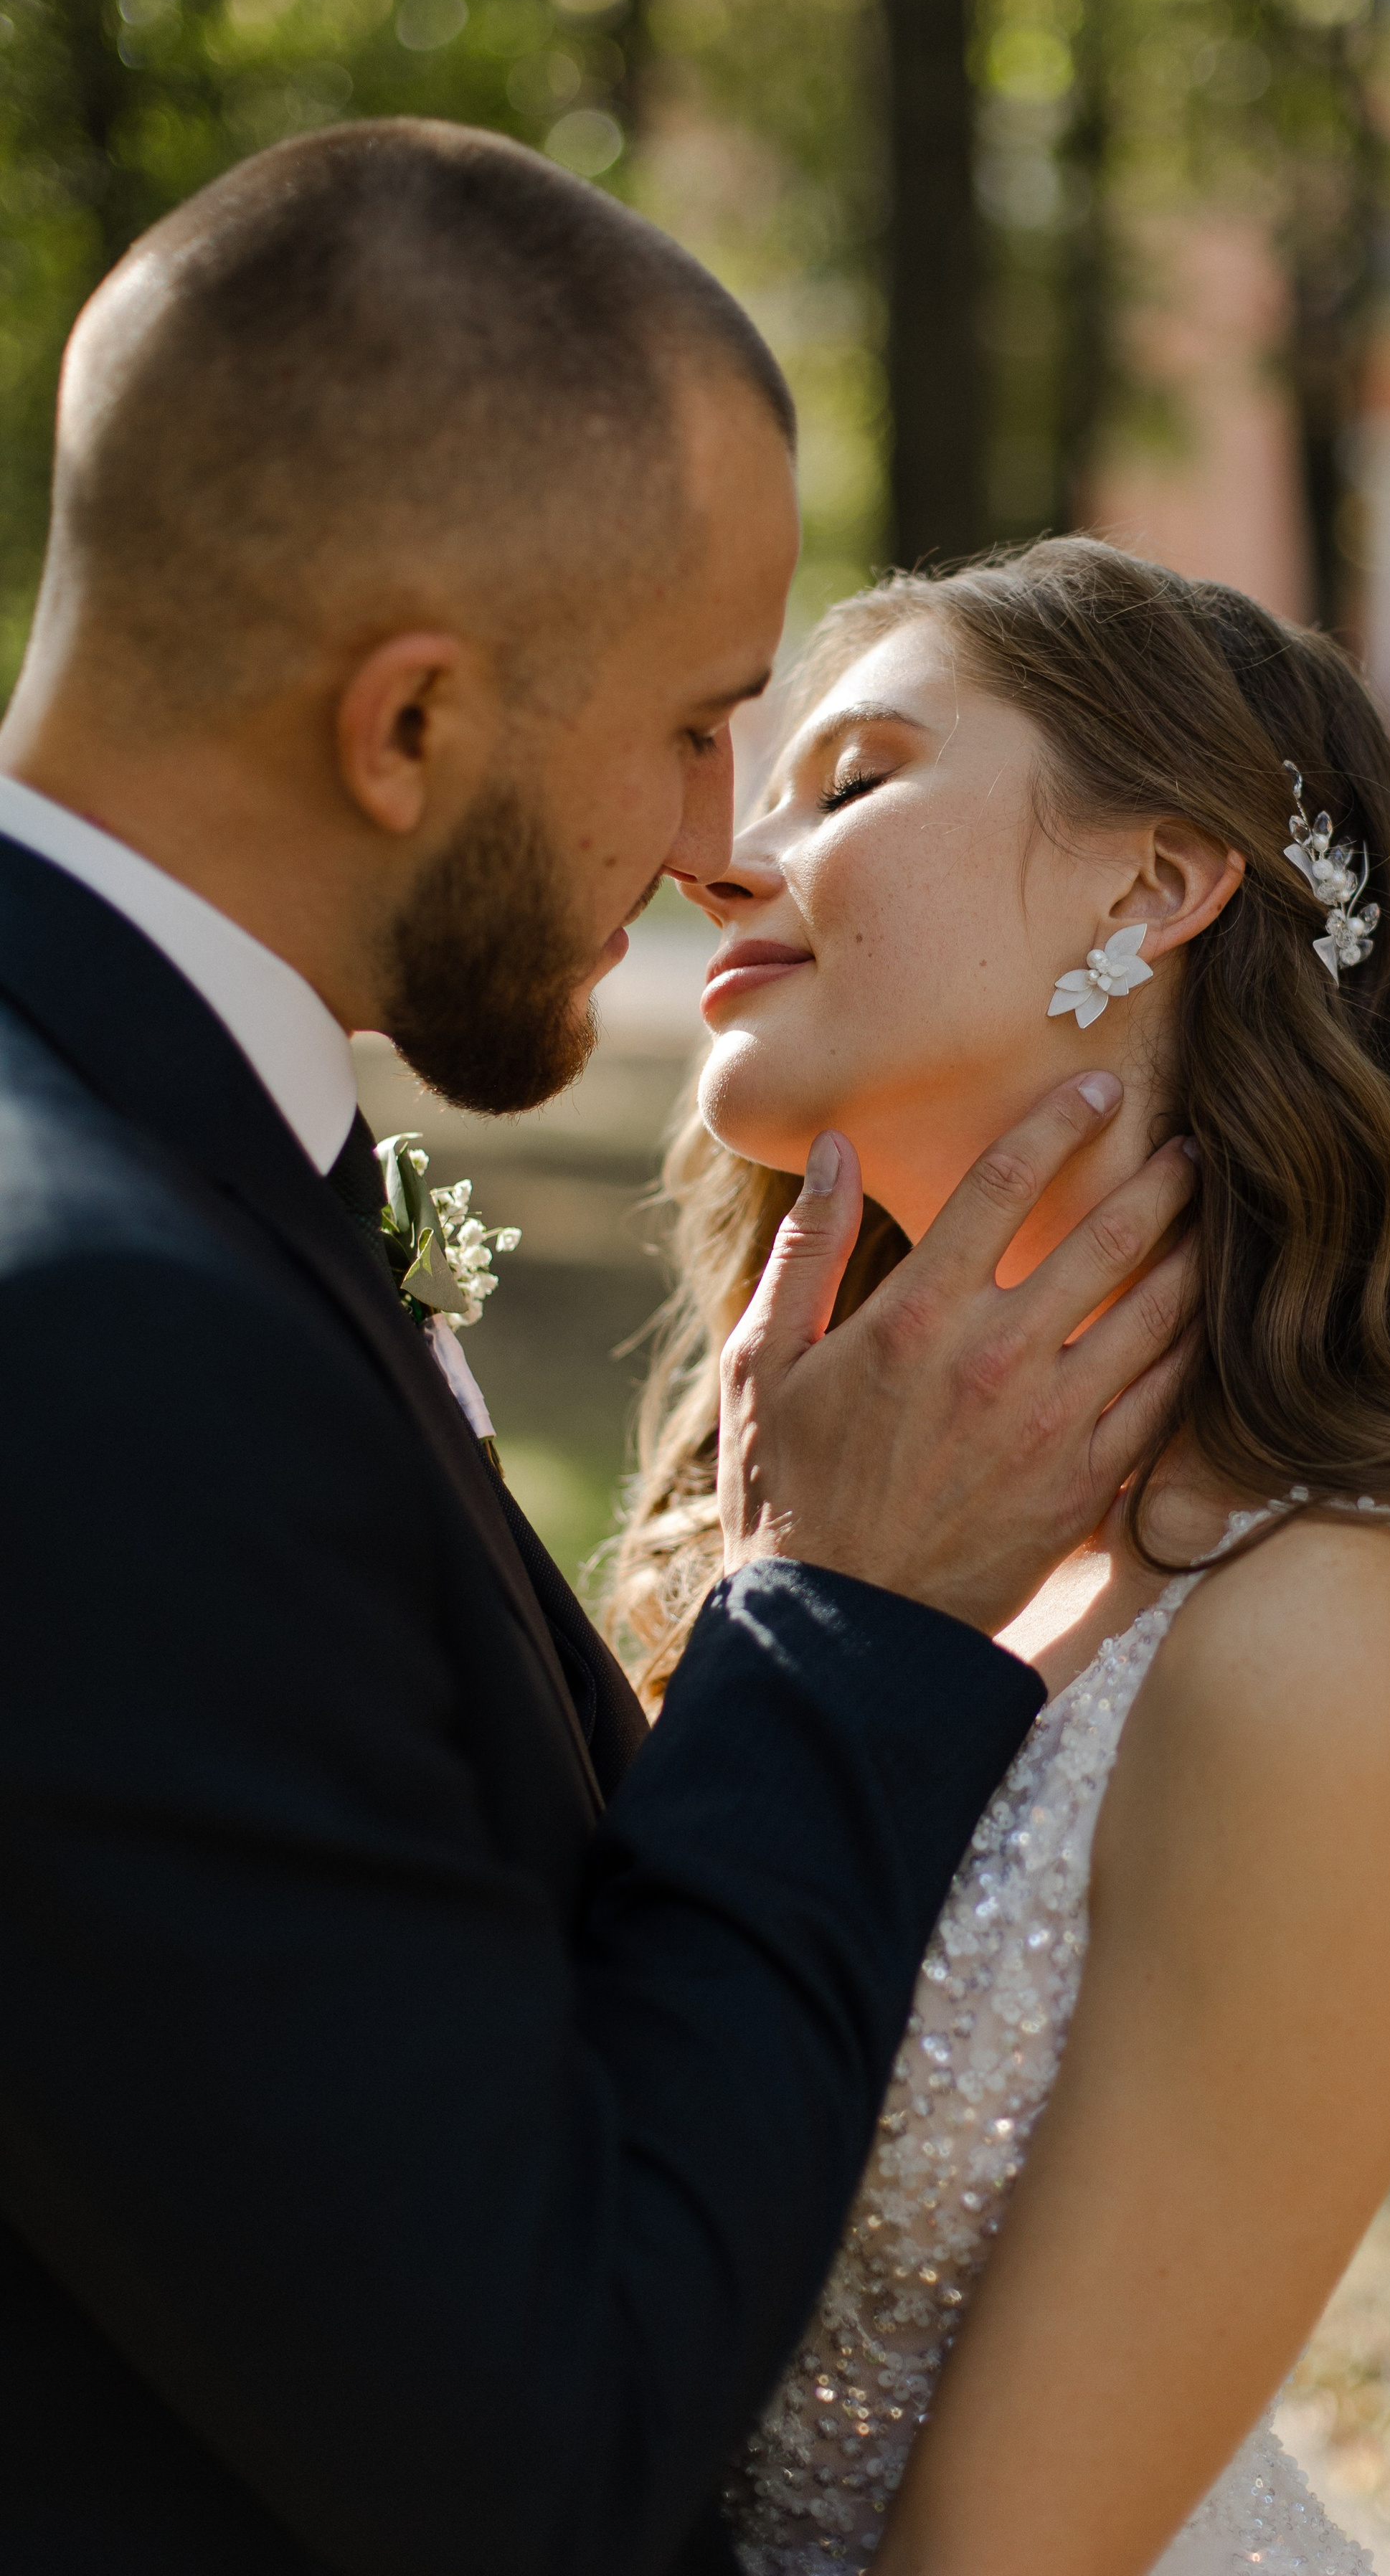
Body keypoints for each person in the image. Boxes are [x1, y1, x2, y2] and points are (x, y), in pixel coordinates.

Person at [0, 126, 1198, 2576]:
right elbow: (523, 2452)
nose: (710, 842)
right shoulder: (106, 1344)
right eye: (692, 724)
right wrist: (836, 1630)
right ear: (409, 725)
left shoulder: (144, 1151)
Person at [615, 539, 1390, 2576]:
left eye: (856, 778)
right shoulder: (826, 1522)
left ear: (1152, 889)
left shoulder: (1326, 1636)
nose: (720, 858)